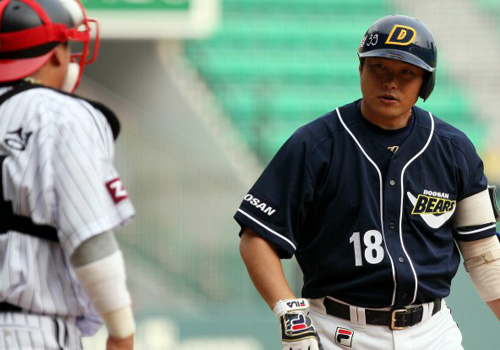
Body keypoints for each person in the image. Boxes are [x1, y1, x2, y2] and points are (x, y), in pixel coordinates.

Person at [234, 14, 500, 350]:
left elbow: (484, 254)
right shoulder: (315, 145)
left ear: (425, 83)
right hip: (337, 331)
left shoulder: (454, 148)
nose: (391, 82)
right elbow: (257, 236)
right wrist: (289, 312)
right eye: (380, 68)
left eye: (407, 73)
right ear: (362, 69)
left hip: (433, 332)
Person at [0, 0, 135, 349]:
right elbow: (89, 238)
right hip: (27, 332)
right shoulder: (60, 114)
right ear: (57, 54)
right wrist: (121, 333)